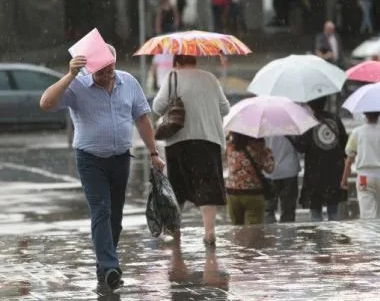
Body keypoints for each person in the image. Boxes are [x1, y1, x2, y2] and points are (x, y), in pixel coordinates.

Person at [39, 45, 165, 290]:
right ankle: (110, 267)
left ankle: (104, 267)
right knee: (102, 210)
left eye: (110, 70)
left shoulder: (128, 82)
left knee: (115, 219)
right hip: (90, 160)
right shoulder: (77, 86)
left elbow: (142, 118)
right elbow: (46, 102)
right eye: (101, 72)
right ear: (89, 68)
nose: (107, 76)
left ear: (115, 62)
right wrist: (69, 75)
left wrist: (154, 153)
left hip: (120, 159)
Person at [152, 55, 230, 246]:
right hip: (208, 140)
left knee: (178, 187)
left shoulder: (172, 77)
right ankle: (209, 231)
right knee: (207, 186)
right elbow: (225, 108)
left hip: (179, 141)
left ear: (176, 63)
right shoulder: (210, 78)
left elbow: (158, 107)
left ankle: (175, 228)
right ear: (194, 61)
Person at [295, 97, 347, 221]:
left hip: (314, 172)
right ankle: (334, 238)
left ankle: (317, 238)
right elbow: (344, 142)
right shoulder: (335, 119)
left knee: (315, 211)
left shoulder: (308, 122)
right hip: (334, 171)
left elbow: (301, 147)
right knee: (333, 211)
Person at [341, 112, 380, 219]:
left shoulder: (356, 133)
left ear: (364, 114)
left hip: (365, 177)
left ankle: (369, 235)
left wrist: (344, 179)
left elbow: (349, 159)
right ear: (379, 115)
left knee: (367, 215)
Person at [226, 132, 274, 225]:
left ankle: (238, 240)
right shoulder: (259, 147)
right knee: (253, 231)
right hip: (253, 193)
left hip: (233, 193)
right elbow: (270, 169)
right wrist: (268, 153)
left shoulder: (230, 147)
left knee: (236, 229)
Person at [264, 136, 301, 223]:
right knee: (289, 210)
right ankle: (288, 234)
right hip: (289, 169)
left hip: (269, 170)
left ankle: (270, 233)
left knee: (268, 209)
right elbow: (300, 145)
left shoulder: (262, 125)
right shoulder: (290, 125)